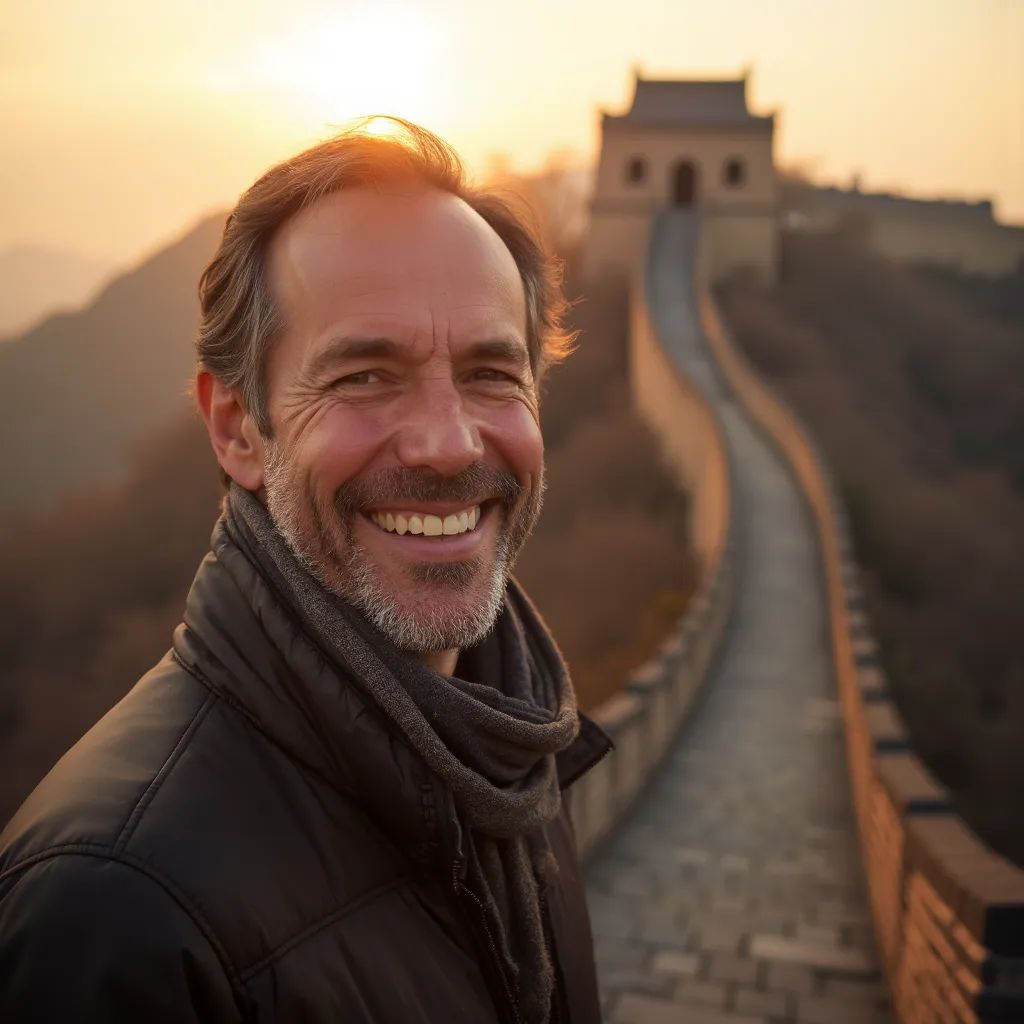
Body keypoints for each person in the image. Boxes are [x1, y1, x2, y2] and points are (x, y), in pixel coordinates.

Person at [0, 119, 611, 1023]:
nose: (448, 443)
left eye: (492, 373)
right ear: (239, 430)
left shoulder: (508, 745)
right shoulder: (109, 909)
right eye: (365, 376)